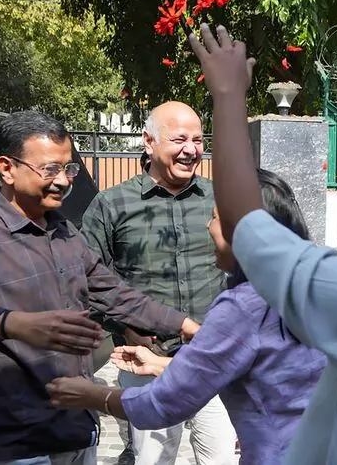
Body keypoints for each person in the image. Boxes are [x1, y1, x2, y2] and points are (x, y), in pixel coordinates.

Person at [0, 111, 199, 465]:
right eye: (50, 169)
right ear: (7, 168)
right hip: (16, 443)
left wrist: (186, 326)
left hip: (75, 430)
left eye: (69, 168)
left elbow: (117, 296)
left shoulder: (64, 234)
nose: (63, 181)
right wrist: (9, 323)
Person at [47, 167, 326, 464]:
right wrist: (161, 364)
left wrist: (90, 395)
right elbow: (256, 370)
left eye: (215, 217)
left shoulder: (243, 306)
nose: (207, 226)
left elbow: (161, 404)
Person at [186, 24, 337, 464]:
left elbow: (246, 222)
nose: (210, 226)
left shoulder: (335, 290)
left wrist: (227, 95)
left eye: (215, 217)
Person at [81, 101, 236, 465]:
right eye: (179, 139)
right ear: (148, 142)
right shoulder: (112, 205)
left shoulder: (220, 199)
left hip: (211, 357)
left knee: (222, 459)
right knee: (153, 459)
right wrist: (125, 326)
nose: (191, 150)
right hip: (147, 363)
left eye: (198, 140)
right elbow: (87, 279)